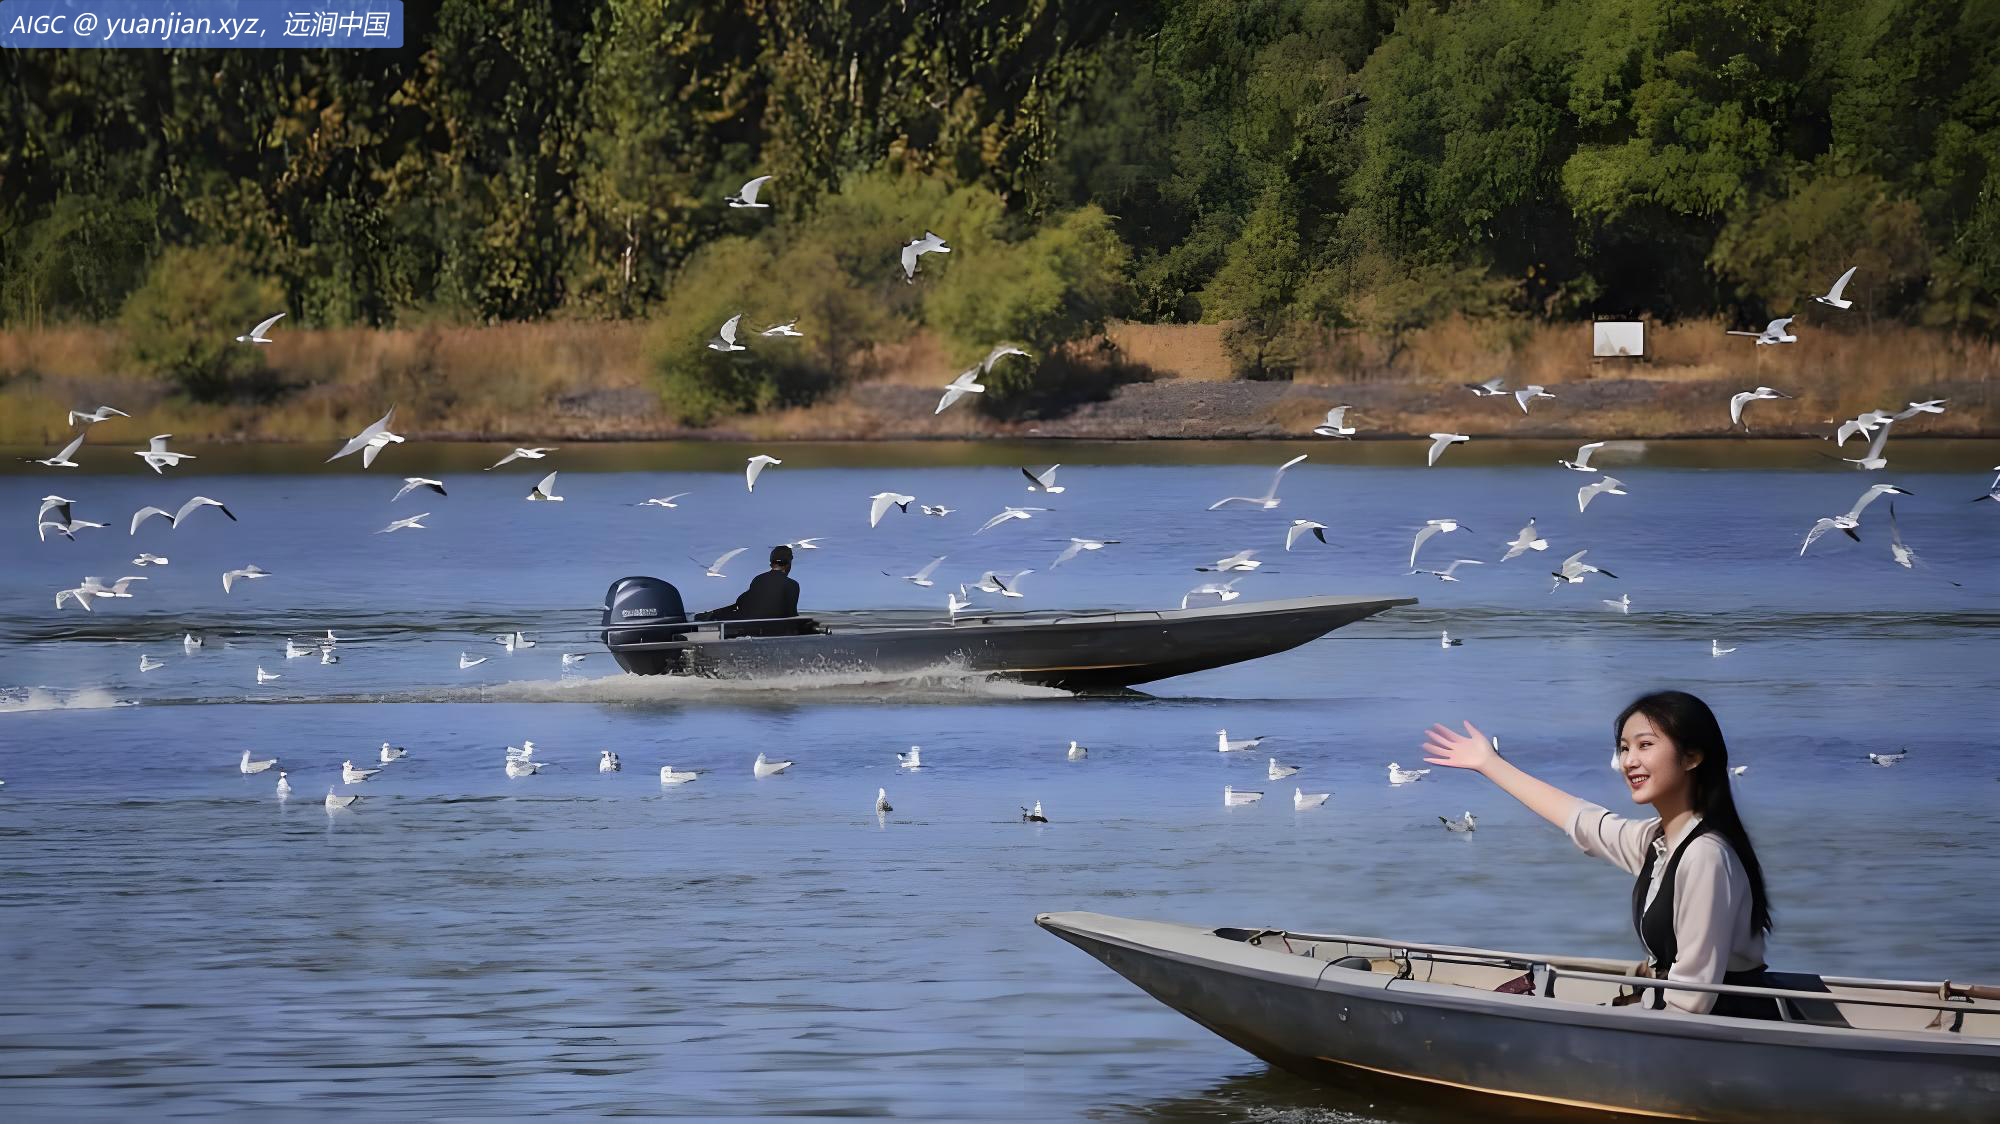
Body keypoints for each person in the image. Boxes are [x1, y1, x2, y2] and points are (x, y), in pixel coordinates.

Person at [1421, 690, 1779, 1018]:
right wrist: (1490, 763)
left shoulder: (1705, 855)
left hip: (1718, 1041)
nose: (1629, 761)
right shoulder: (1659, 841)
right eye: (1624, 748)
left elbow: (1691, 1001)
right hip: (1679, 1024)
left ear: (1691, 757)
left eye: (1645, 745)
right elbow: (1583, 820)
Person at [700, 545, 800, 627]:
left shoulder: (759, 579)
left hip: (750, 627)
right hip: (776, 632)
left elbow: (743, 602)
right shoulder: (792, 585)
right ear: (788, 564)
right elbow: (791, 615)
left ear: (771, 563)